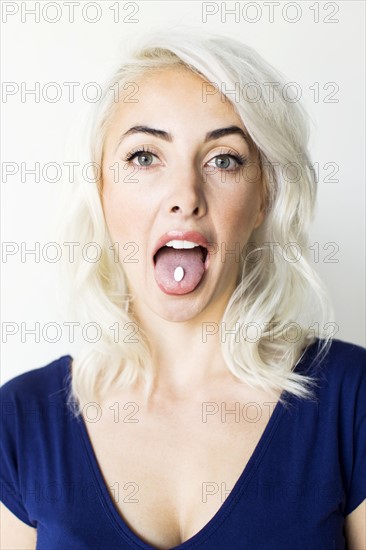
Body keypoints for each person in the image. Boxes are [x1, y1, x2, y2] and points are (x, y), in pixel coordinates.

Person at [1, 27, 365, 550]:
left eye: (224, 160)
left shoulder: (351, 402)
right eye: (145, 157)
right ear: (99, 190)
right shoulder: (18, 421)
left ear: (264, 198)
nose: (185, 196)